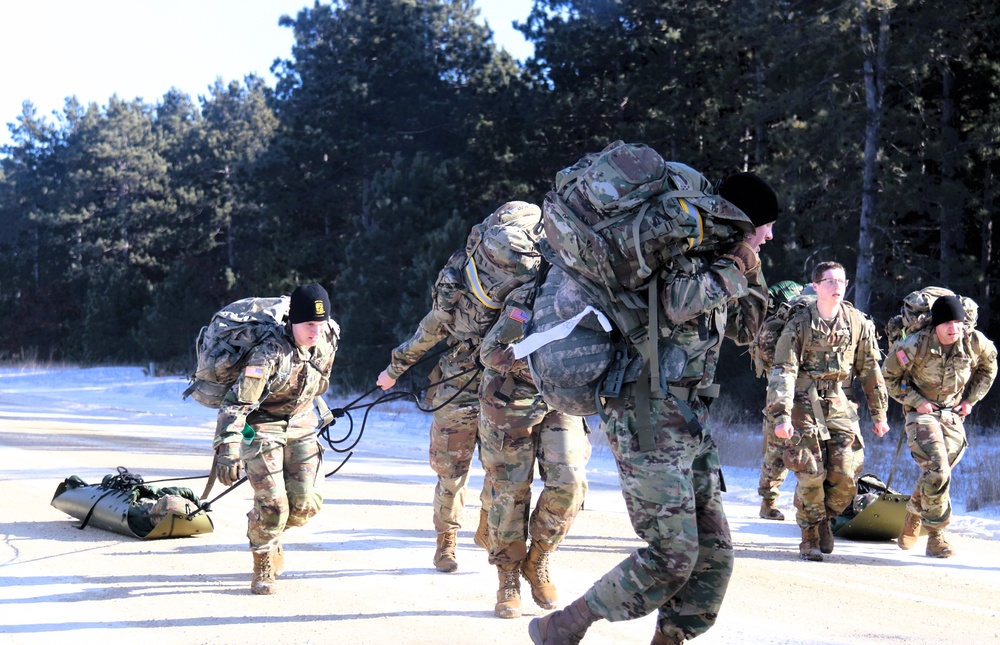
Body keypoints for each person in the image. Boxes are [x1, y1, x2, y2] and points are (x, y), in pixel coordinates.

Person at [529, 171, 777, 645]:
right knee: (672, 555)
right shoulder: (680, 243)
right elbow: (677, 302)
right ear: (742, 220)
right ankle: (564, 626)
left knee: (714, 557)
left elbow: (749, 329)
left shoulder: (728, 254)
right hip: (645, 413)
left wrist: (748, 264)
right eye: (764, 225)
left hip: (690, 423)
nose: (770, 235)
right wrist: (733, 267)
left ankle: (669, 639)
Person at [212, 283, 339, 595]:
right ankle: (263, 561)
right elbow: (236, 404)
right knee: (275, 505)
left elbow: (318, 387)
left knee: (306, 505)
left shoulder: (325, 346)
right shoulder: (267, 355)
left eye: (321, 324)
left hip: (301, 425)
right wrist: (227, 447)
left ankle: (265, 527)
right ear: (293, 321)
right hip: (262, 426)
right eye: (309, 324)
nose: (316, 332)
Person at [478, 281, 591, 620]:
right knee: (510, 490)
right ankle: (507, 576)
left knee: (571, 483)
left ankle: (537, 558)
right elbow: (492, 352)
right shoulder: (532, 296)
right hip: (513, 397)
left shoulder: (600, 294)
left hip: (565, 400)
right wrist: (544, 367)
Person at [766, 261, 889, 562]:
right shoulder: (800, 324)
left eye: (841, 281)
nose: (837, 286)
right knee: (810, 471)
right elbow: (783, 371)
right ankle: (809, 534)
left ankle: (823, 518)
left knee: (847, 474)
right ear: (816, 286)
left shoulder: (857, 322)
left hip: (839, 403)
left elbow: (871, 370)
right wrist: (781, 416)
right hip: (802, 403)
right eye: (829, 281)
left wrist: (879, 414)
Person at [376, 252, 491, 573]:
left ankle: (488, 523)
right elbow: (426, 334)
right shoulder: (460, 295)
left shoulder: (527, 289)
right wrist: (393, 371)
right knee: (451, 471)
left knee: (505, 471)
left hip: (507, 388)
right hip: (457, 390)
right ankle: (447, 541)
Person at [881, 294, 997, 557]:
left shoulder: (974, 342)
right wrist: (916, 400)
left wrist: (970, 400)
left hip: (953, 413)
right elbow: (888, 375)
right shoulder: (915, 344)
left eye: (958, 322)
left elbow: (989, 368)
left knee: (938, 472)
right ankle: (937, 536)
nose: (953, 328)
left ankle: (914, 510)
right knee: (939, 469)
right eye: (947, 323)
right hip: (921, 414)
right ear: (936, 325)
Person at [754, 280, 807, 521]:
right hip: (781, 391)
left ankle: (801, 505)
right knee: (777, 450)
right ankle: (769, 502)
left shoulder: (778, 324)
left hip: (804, 393)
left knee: (805, 451)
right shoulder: (777, 326)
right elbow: (770, 362)